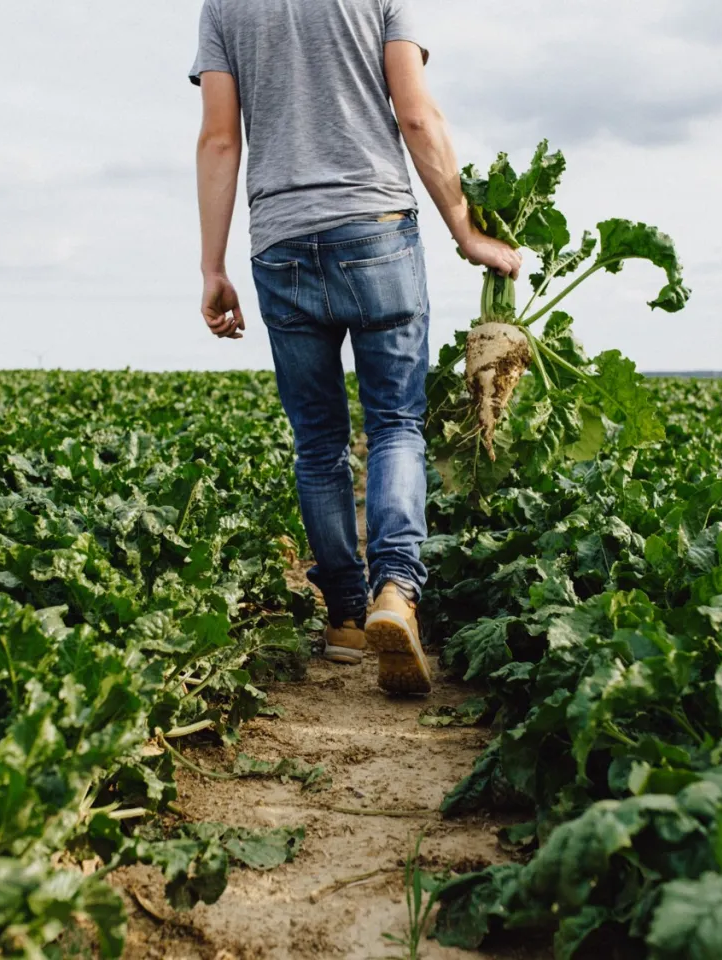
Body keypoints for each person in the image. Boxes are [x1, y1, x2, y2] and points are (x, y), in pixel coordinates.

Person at [190, 0, 521, 696]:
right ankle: (396, 590)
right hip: (377, 231)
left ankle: (342, 616)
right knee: (396, 425)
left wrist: (212, 267)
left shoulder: (222, 5)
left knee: (318, 443)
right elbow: (416, 115)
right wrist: (466, 231)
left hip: (279, 242)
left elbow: (220, 140)